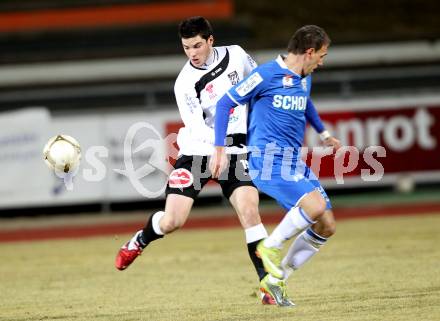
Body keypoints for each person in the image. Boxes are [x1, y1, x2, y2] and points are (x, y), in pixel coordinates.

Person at [115, 16, 276, 305]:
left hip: (235, 152)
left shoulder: (237, 55)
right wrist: (219, 149)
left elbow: (259, 86)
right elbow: (198, 127)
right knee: (173, 221)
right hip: (198, 152)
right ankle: (140, 239)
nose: (192, 53)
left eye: (197, 45)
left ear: (211, 40)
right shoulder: (184, 83)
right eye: (187, 47)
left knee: (250, 213)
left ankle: (269, 285)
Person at [210, 25, 341, 306]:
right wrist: (219, 150)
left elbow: (306, 104)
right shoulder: (265, 75)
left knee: (326, 224)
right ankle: (269, 247)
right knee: (315, 207)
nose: (323, 61)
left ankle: (274, 281)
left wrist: (324, 134)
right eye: (322, 54)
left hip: (294, 161)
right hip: (266, 159)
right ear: (309, 52)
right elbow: (224, 104)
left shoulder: (303, 77)